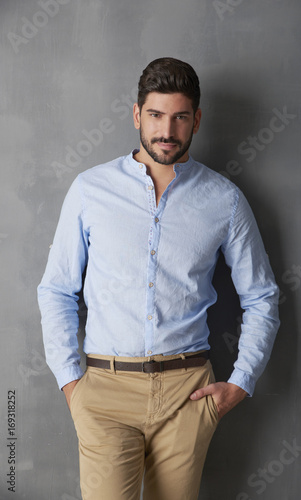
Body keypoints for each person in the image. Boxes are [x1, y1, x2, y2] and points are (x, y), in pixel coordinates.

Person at [37, 57, 280, 500]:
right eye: (155, 115)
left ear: (196, 120)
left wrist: (241, 380)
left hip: (188, 393)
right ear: (136, 115)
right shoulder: (90, 190)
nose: (166, 130)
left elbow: (262, 296)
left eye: (179, 117)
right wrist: (72, 383)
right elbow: (56, 289)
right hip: (104, 392)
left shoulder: (224, 200)